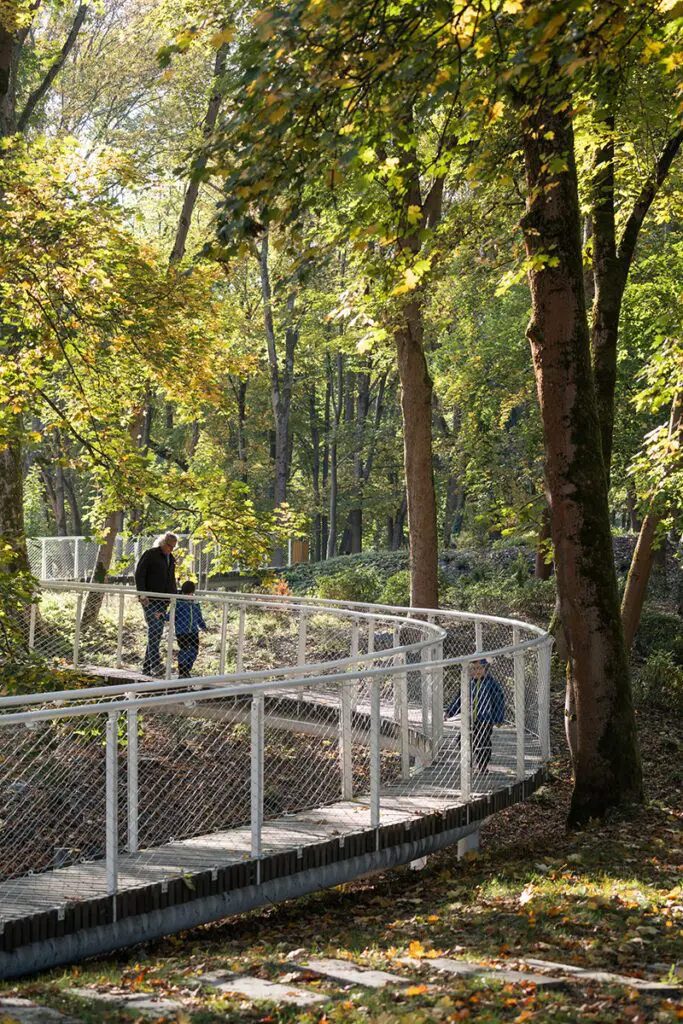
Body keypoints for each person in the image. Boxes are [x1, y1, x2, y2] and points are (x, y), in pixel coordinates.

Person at [445, 658, 505, 772]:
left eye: (480, 668)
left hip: (485, 719)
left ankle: (483, 765)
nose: (477, 671)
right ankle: (469, 758)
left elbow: (498, 702)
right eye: (475, 668)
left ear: (486, 669)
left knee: (483, 741)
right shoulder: (469, 684)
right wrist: (450, 712)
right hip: (470, 719)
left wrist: (498, 719)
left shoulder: (491, 684)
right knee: (462, 739)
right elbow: (459, 700)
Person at [134, 532, 178, 676]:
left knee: (156, 632)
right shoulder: (151, 554)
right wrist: (142, 593)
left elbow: (170, 579)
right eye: (169, 546)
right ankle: (156, 664)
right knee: (155, 628)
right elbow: (139, 574)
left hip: (163, 601)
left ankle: (147, 668)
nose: (171, 549)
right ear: (163, 543)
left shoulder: (171, 558)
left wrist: (175, 597)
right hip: (150, 600)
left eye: (173, 547)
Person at [175, 580, 207, 677]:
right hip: (182, 631)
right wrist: (162, 616)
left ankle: (187, 669)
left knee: (194, 651)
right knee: (184, 650)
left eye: (190, 594)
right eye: (186, 594)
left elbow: (198, 616)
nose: (188, 596)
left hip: (193, 631)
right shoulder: (179, 602)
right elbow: (172, 614)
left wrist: (203, 626)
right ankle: (182, 670)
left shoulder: (195, 603)